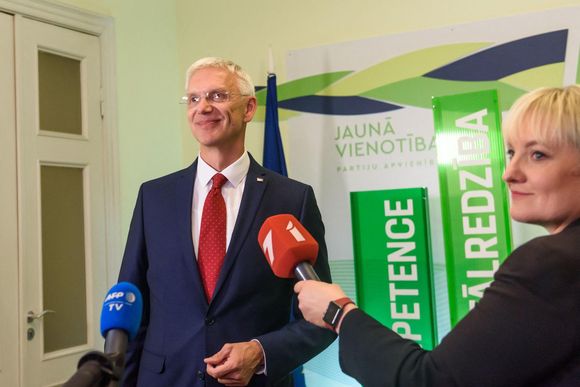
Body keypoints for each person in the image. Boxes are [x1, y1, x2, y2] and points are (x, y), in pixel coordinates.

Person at [294, 85, 580, 387]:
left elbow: (428, 381)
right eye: (511, 152)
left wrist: (338, 312)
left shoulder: (550, 263)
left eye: (537, 155)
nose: (510, 173)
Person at [118, 57, 335, 387]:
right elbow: (132, 304)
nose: (202, 107)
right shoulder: (154, 197)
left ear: (249, 108)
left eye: (217, 96)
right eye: (194, 98)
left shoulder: (292, 200)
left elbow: (323, 316)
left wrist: (261, 352)